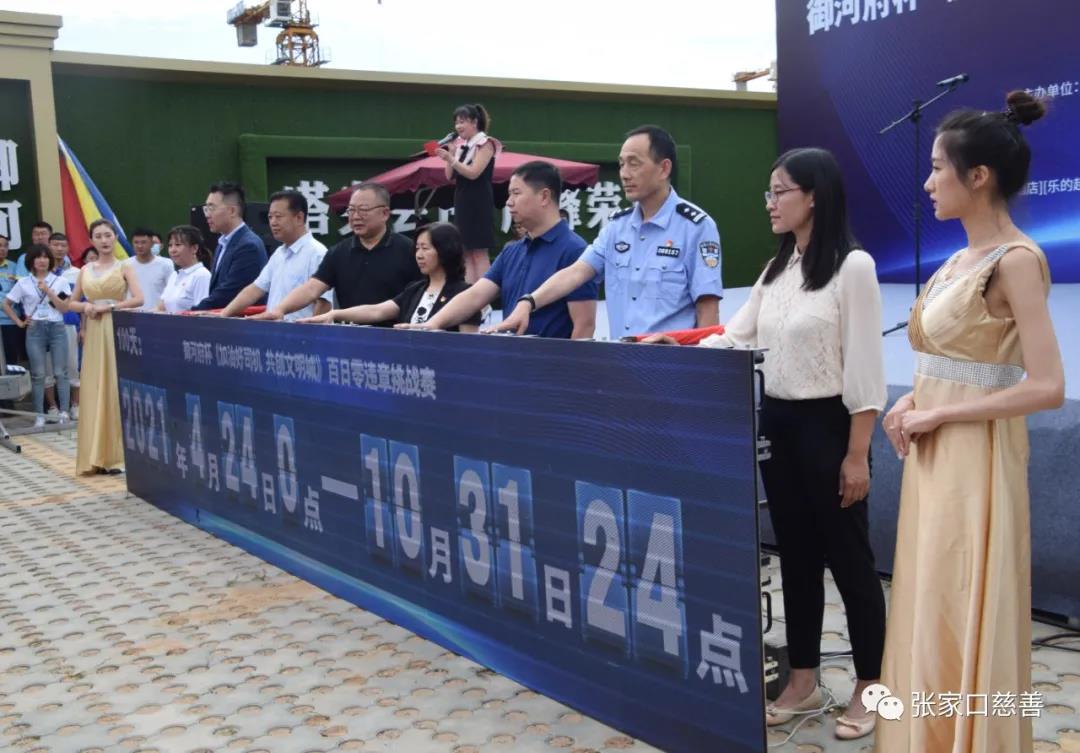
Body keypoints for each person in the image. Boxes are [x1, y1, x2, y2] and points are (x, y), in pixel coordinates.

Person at [647, 148, 888, 739]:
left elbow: (865, 370)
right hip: (777, 426)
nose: (770, 203)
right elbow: (736, 336)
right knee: (796, 559)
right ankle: (803, 681)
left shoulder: (853, 267)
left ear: (815, 197)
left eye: (780, 192)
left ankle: (871, 688)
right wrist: (679, 348)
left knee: (851, 564)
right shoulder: (777, 268)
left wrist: (857, 454)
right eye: (769, 192)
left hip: (831, 428)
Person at [876, 92, 1064, 753]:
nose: (928, 183)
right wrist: (910, 401)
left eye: (937, 168)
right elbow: (951, 362)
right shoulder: (958, 259)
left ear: (978, 175)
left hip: (977, 459)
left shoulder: (1017, 260)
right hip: (934, 453)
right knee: (930, 596)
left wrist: (941, 412)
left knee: (963, 591)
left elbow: (1047, 386)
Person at [493, 126, 722, 340]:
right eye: (621, 164)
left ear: (664, 169)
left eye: (634, 164)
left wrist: (702, 365)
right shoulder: (617, 227)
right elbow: (576, 273)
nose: (624, 174)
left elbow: (707, 309)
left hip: (672, 363)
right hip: (621, 359)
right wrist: (528, 302)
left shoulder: (696, 227)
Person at [402, 161, 597, 338]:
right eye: (509, 194)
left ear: (544, 196)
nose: (508, 201)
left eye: (516, 193)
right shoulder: (512, 251)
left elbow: (584, 326)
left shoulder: (575, 251)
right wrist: (432, 324)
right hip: (511, 359)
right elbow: (475, 296)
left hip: (551, 363)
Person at [252, 183, 419, 321]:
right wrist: (280, 309)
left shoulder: (408, 250)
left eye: (363, 210)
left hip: (396, 339)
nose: (355, 216)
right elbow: (312, 288)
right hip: (349, 339)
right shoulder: (339, 252)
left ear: (385, 213)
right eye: (351, 210)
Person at [300, 223, 480, 331]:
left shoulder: (465, 294)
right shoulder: (415, 290)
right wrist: (334, 314)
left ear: (446, 251)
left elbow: (469, 346)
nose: (419, 255)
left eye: (425, 248)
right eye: (417, 248)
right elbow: (376, 311)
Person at [69, 219, 145, 474]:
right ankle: (95, 456)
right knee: (94, 388)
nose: (104, 240)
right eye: (98, 236)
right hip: (93, 332)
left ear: (115, 237)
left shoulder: (125, 267)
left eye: (108, 235)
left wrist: (110, 307)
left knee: (113, 387)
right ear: (91, 240)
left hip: (116, 328)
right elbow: (72, 303)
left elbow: (139, 298)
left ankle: (116, 456)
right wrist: (86, 306)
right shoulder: (84, 270)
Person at [219, 190, 331, 320]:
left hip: (300, 332)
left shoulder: (317, 253)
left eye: (278, 216)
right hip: (274, 331)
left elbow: (324, 304)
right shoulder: (279, 254)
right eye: (270, 217)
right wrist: (223, 314)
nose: (273, 222)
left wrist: (310, 332)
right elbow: (254, 290)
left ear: (299, 218)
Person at [2, 245, 73, 427]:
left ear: (50, 260)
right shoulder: (24, 283)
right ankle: (39, 415)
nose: (42, 261)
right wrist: (20, 322)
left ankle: (64, 412)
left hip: (57, 327)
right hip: (35, 329)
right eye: (38, 257)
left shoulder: (59, 281)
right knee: (38, 374)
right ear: (31, 261)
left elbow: (64, 308)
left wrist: (48, 291)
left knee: (61, 372)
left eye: (45, 257)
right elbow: (7, 304)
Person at [439, 103, 497, 284]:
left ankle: (484, 295)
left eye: (462, 122)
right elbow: (449, 176)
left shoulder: (486, 143)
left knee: (479, 252)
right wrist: (451, 154)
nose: (458, 126)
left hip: (479, 201)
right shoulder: (462, 145)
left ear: (474, 122)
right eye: (456, 122)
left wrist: (451, 159)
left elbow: (474, 173)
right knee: (466, 251)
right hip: (463, 199)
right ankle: (469, 292)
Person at [191, 182, 267, 310]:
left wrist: (192, 312)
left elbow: (228, 293)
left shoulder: (248, 246)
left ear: (232, 211)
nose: (207, 215)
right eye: (206, 209)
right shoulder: (223, 243)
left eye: (212, 208)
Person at [156, 225, 212, 314]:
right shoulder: (174, 275)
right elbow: (161, 308)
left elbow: (202, 313)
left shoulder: (202, 275)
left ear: (194, 248)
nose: (172, 250)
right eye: (170, 245)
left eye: (178, 245)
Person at [125, 227, 173, 310]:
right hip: (131, 314)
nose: (139, 246)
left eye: (144, 242)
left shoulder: (166, 264)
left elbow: (171, 292)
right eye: (136, 242)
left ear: (151, 244)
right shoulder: (125, 264)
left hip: (157, 314)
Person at [0, 233, 27, 365]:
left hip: (10, 321)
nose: (3, 249)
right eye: (0, 246)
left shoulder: (14, 267)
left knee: (11, 361)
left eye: (5, 246)